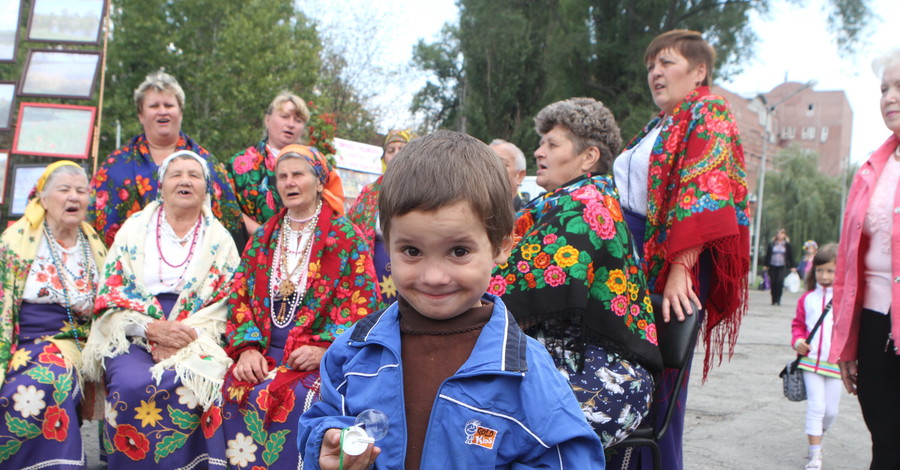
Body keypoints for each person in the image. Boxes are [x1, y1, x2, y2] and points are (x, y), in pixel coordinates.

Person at [299, 130, 604, 470]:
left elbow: (570, 460)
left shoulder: (525, 371)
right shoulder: (353, 352)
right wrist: (327, 443)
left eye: (459, 251)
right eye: (411, 251)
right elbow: (323, 418)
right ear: (388, 243)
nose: (433, 276)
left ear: (501, 246)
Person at [610, 30, 750, 469]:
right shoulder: (659, 124)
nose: (655, 72)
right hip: (634, 257)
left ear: (699, 70)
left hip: (670, 259)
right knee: (625, 374)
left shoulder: (708, 110)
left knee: (658, 380)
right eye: (651, 65)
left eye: (667, 62)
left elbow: (703, 187)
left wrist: (681, 267)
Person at [491, 97, 662, 448]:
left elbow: (511, 288)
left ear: (589, 157)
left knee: (505, 436)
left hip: (607, 375)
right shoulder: (558, 202)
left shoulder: (587, 205)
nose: (540, 152)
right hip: (558, 364)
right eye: (541, 142)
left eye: (552, 144)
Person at [220, 144, 377, 469]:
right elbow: (239, 296)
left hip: (320, 356)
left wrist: (326, 351)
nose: (289, 182)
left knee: (302, 398)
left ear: (319, 181)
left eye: (298, 174)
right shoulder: (264, 236)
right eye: (282, 176)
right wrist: (247, 349)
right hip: (263, 351)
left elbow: (364, 307)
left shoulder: (346, 236)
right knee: (232, 388)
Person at [81, 151, 240, 468]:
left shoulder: (220, 238)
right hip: (134, 331)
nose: (185, 180)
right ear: (161, 186)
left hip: (196, 332)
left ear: (206, 188)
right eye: (176, 174)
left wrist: (184, 336)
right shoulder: (134, 228)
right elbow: (110, 294)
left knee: (201, 379)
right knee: (129, 384)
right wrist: (150, 330)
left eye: (194, 175)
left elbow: (230, 300)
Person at [0, 162, 107, 468]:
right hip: (23, 337)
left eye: (81, 191)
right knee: (16, 390)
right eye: (64, 190)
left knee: (51, 378)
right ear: (43, 199)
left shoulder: (94, 244)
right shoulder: (15, 240)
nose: (73, 197)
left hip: (77, 340)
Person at [830, 48, 900, 470]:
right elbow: (846, 267)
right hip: (875, 327)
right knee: (886, 442)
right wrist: (847, 340)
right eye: (884, 89)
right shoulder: (872, 168)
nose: (890, 97)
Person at [88, 70, 243, 247]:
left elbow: (231, 229)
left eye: (169, 105)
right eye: (154, 106)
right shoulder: (114, 167)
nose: (162, 111)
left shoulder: (207, 165)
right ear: (141, 115)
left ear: (181, 112)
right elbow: (92, 230)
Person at [347, 129, 416, 308]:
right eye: (390, 150)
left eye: (402, 148)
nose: (396, 154)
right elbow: (351, 226)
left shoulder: (423, 188)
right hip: (375, 261)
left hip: (412, 258)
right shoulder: (370, 192)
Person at [227, 91, 310, 235]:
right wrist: (264, 235)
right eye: (284, 117)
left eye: (298, 120)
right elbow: (227, 206)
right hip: (252, 246)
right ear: (267, 120)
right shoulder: (240, 163)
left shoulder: (315, 165)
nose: (291, 124)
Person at [790, 243, 840, 470]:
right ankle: (815, 455)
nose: (824, 275)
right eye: (820, 270)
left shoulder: (845, 301)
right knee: (817, 407)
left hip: (835, 364)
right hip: (810, 363)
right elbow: (798, 326)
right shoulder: (807, 299)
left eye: (830, 270)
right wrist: (798, 341)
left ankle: (817, 437)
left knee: (831, 412)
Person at [489, 138, 528, 210]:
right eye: (486, 163)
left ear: (520, 176)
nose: (490, 168)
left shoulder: (529, 218)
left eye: (500, 164)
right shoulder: (470, 214)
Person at [765, 228, 796, 306]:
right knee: (773, 282)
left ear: (784, 235)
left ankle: (778, 299)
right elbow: (768, 255)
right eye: (778, 233)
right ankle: (773, 298)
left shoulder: (787, 245)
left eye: (782, 233)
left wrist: (792, 266)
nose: (780, 235)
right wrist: (766, 265)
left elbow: (790, 256)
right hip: (772, 265)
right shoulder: (772, 244)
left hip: (782, 266)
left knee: (779, 282)